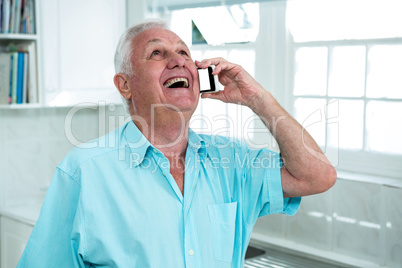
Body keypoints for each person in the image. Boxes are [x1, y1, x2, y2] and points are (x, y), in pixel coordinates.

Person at [18, 19, 336, 267]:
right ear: (125, 85)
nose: (178, 61)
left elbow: (317, 175)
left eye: (184, 52)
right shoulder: (83, 173)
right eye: (158, 53)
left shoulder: (232, 161)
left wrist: (256, 98)